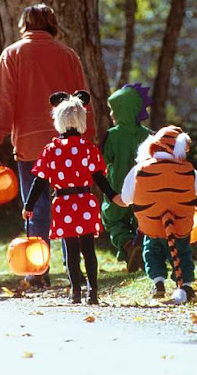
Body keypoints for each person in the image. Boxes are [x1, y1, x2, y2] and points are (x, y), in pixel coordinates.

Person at [0, 3, 95, 288]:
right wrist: (88, 140)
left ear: (24, 24)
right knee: (72, 202)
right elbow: (83, 102)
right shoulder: (68, 55)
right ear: (52, 24)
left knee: (36, 206)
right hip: (68, 146)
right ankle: (75, 268)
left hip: (30, 145)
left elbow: (4, 102)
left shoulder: (12, 55)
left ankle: (38, 269)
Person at [22, 91, 123, 305]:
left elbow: (39, 180)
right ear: (81, 120)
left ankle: (75, 291)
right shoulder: (88, 149)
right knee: (88, 249)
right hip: (85, 201)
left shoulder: (51, 150)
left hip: (64, 204)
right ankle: (92, 292)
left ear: (58, 120)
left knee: (71, 250)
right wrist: (114, 195)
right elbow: (99, 178)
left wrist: (28, 205)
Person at [119, 125, 197, 304]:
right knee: (182, 252)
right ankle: (185, 285)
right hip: (179, 224)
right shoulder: (189, 169)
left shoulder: (140, 168)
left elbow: (127, 197)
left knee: (152, 250)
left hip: (152, 224)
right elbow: (195, 190)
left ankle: (158, 283)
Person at [101, 84, 152, 272]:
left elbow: (101, 162)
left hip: (118, 194)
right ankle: (145, 253)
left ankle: (129, 245)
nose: (112, 116)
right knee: (144, 224)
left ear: (123, 111)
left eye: (114, 111)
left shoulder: (112, 136)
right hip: (144, 194)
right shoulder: (149, 136)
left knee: (114, 222)